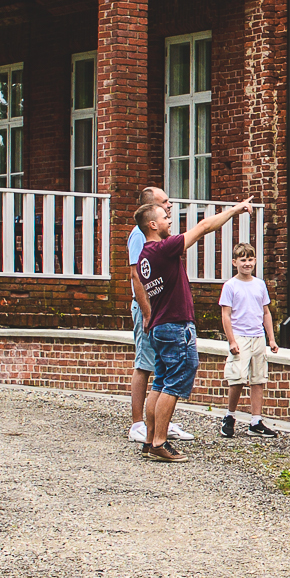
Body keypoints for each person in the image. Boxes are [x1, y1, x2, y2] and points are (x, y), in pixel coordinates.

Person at [132, 194, 258, 463]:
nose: (169, 220)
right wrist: (234, 210)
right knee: (174, 384)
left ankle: (149, 440)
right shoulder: (162, 249)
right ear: (152, 225)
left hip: (160, 326)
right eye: (165, 217)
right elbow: (203, 227)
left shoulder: (144, 256)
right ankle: (159, 442)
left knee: (160, 382)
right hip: (175, 326)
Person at [121, 186, 190, 446]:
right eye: (164, 202)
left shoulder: (157, 233)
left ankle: (159, 420)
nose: (170, 205)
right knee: (145, 362)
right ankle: (138, 423)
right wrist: (148, 312)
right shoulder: (140, 235)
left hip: (158, 308)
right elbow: (136, 274)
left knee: (162, 365)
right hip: (149, 308)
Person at [217, 242, 273, 438]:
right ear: (235, 262)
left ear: (255, 261)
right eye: (243, 260)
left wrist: (271, 339)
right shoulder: (230, 286)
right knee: (238, 378)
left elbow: (266, 312)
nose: (247, 263)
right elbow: (226, 315)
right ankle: (230, 415)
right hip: (240, 336)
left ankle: (256, 420)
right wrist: (231, 340)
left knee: (258, 379)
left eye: (250, 259)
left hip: (258, 336)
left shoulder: (260, 284)